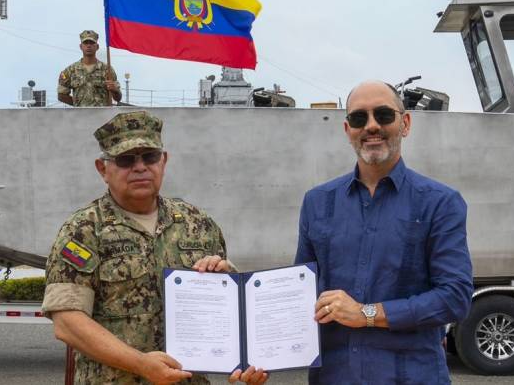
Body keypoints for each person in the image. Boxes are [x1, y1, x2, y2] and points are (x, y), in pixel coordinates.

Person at [41, 111, 267, 385]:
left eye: (149, 157)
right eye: (125, 160)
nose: (140, 167)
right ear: (103, 169)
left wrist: (227, 277)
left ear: (164, 160)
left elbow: (229, 310)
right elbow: (67, 322)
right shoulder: (83, 231)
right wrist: (141, 364)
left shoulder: (198, 223)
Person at [295, 80, 474, 384]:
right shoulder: (317, 202)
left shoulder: (439, 203)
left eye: (383, 115)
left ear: (404, 123)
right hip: (335, 377)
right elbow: (298, 289)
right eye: (359, 118)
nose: (371, 126)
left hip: (412, 377)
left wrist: (366, 313)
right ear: (347, 129)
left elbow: (455, 297)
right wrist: (240, 287)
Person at [57, 30, 122, 106]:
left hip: (103, 116)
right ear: (81, 46)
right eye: (85, 43)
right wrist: (78, 105)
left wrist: (115, 90)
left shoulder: (107, 70)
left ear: (97, 47)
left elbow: (118, 98)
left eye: (91, 43)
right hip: (80, 116)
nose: (88, 46)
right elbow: (61, 95)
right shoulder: (70, 70)